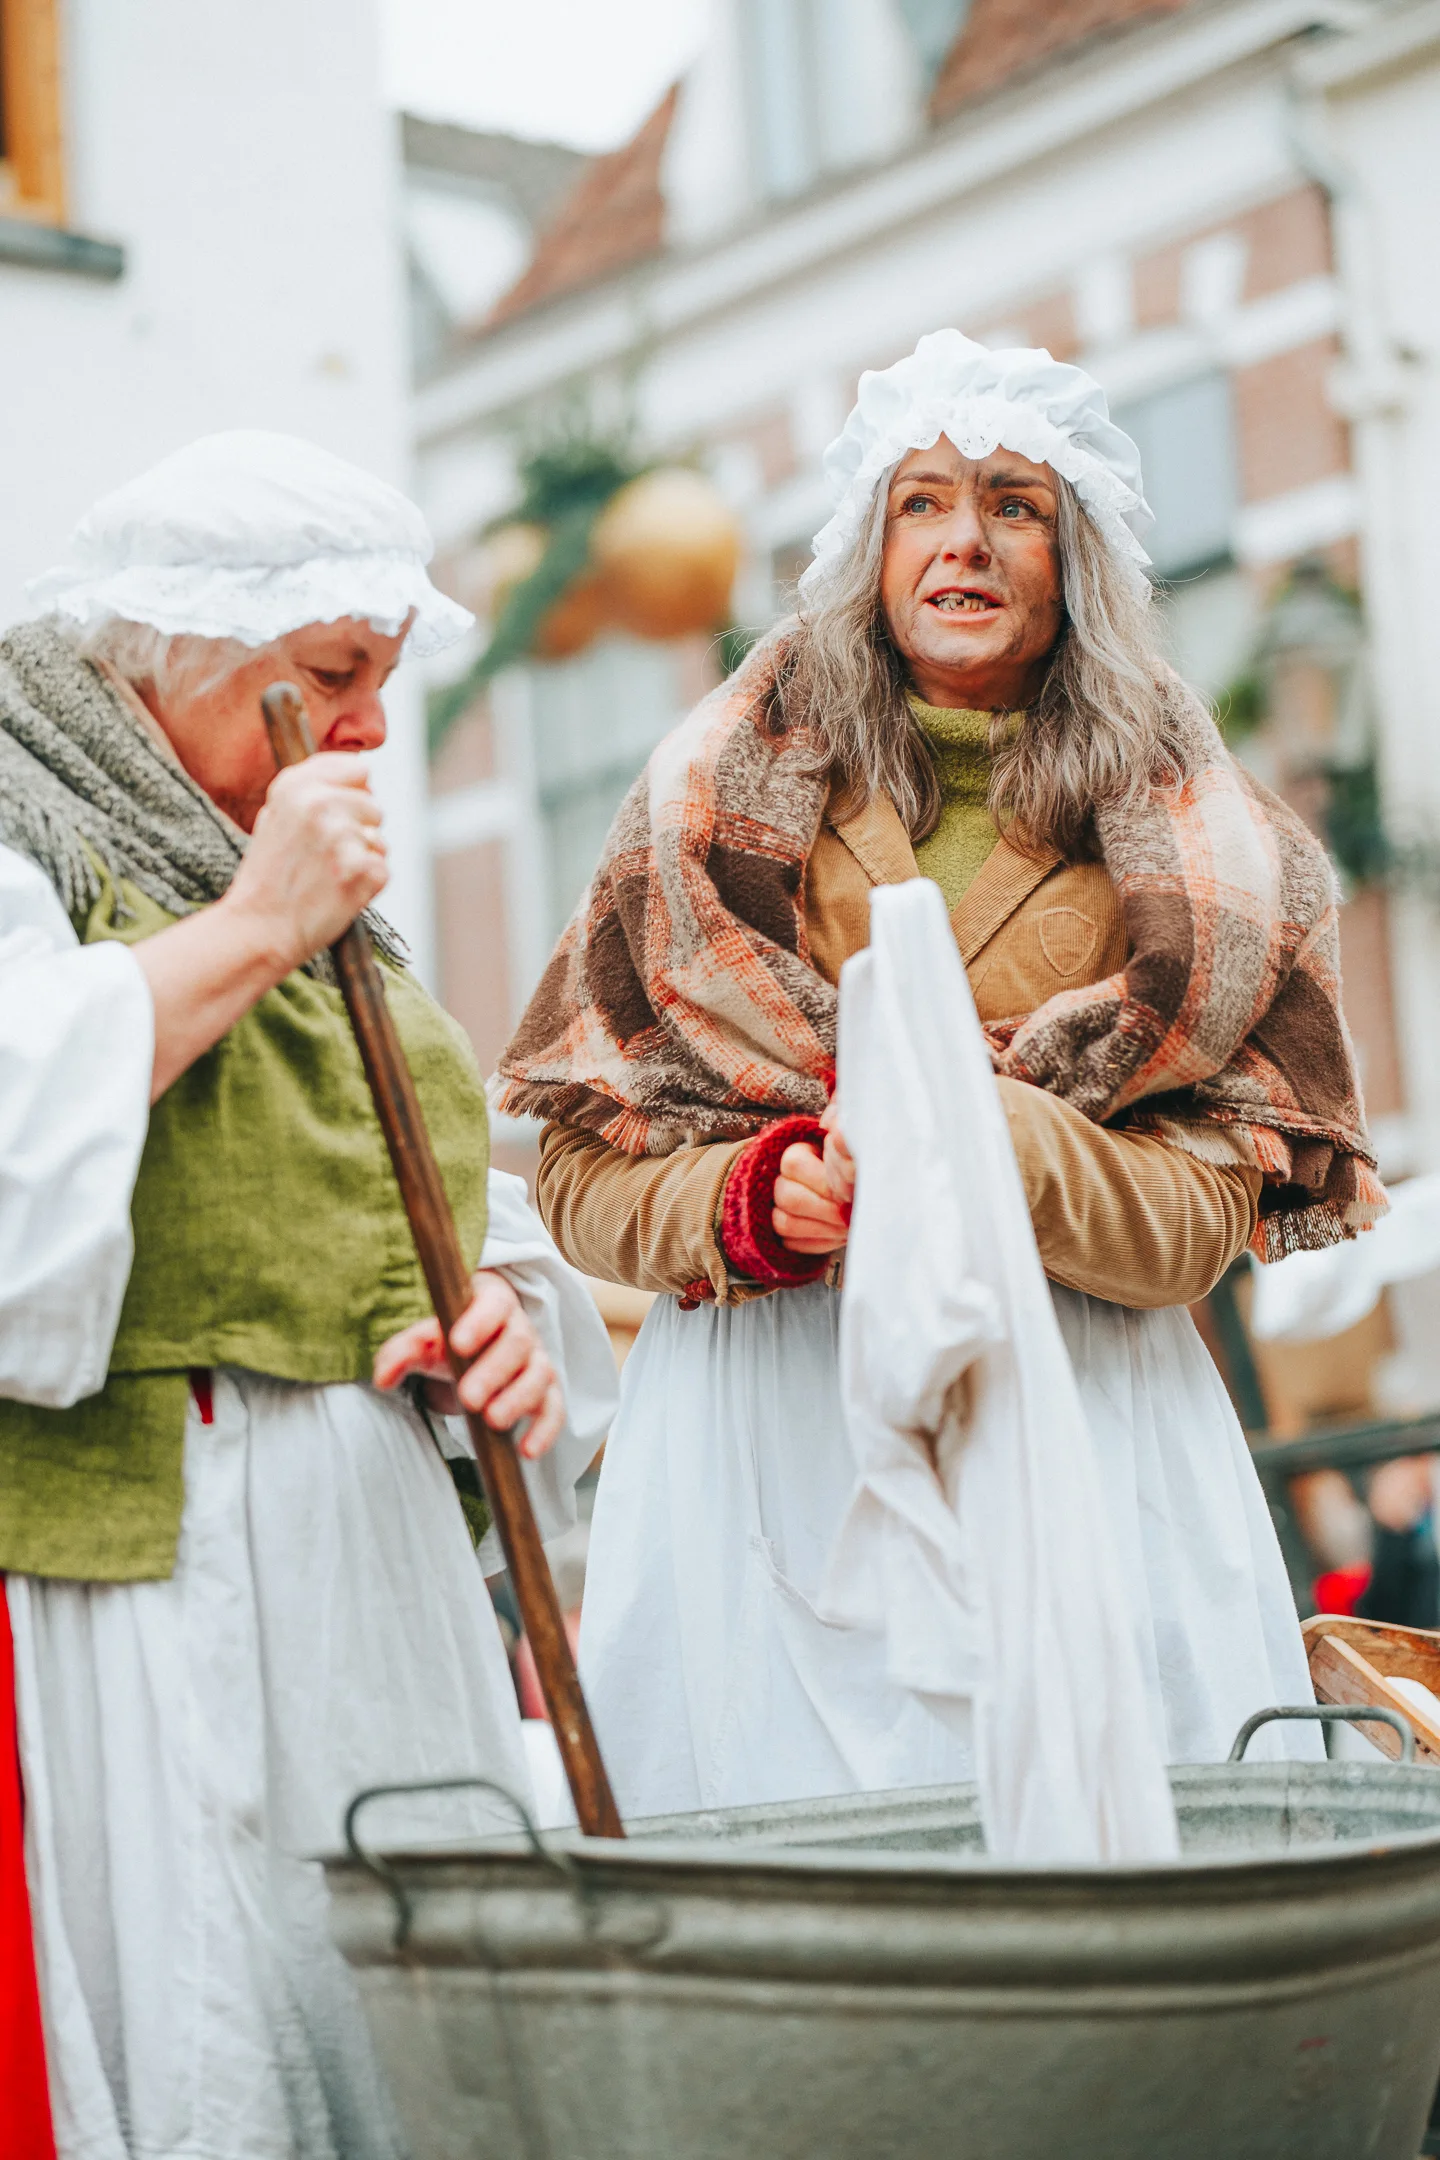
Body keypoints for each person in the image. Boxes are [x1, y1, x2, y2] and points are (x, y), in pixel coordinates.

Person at [497, 330, 1384, 1819]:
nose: (963, 540)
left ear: (1075, 558)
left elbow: (1197, 1230)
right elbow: (581, 1176)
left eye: (1013, 505)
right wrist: (752, 1198)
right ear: (871, 546)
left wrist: (989, 1142)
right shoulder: (703, 800)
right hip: (762, 1446)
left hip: (1083, 1433)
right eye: (922, 502)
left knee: (1091, 1877)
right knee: (786, 1882)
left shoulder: (1205, 842)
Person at [0, 431, 616, 2158]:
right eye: (331, 674)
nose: (364, 728)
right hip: (163, 1553)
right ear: (182, 655)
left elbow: (420, 1180)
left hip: (373, 1558)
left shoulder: (305, 885)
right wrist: (261, 921)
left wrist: (502, 1328)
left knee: (420, 2024)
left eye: (383, 682)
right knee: (228, 2021)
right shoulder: (30, 816)